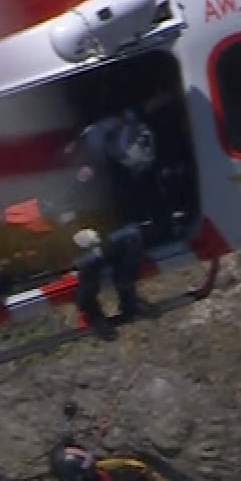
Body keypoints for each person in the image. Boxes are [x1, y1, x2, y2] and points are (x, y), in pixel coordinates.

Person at [59, 97, 164, 339]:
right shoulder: (86, 160)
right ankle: (90, 310)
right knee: (91, 257)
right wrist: (75, 230)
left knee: (132, 237)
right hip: (75, 220)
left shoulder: (131, 129)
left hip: (107, 213)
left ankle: (129, 299)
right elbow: (61, 199)